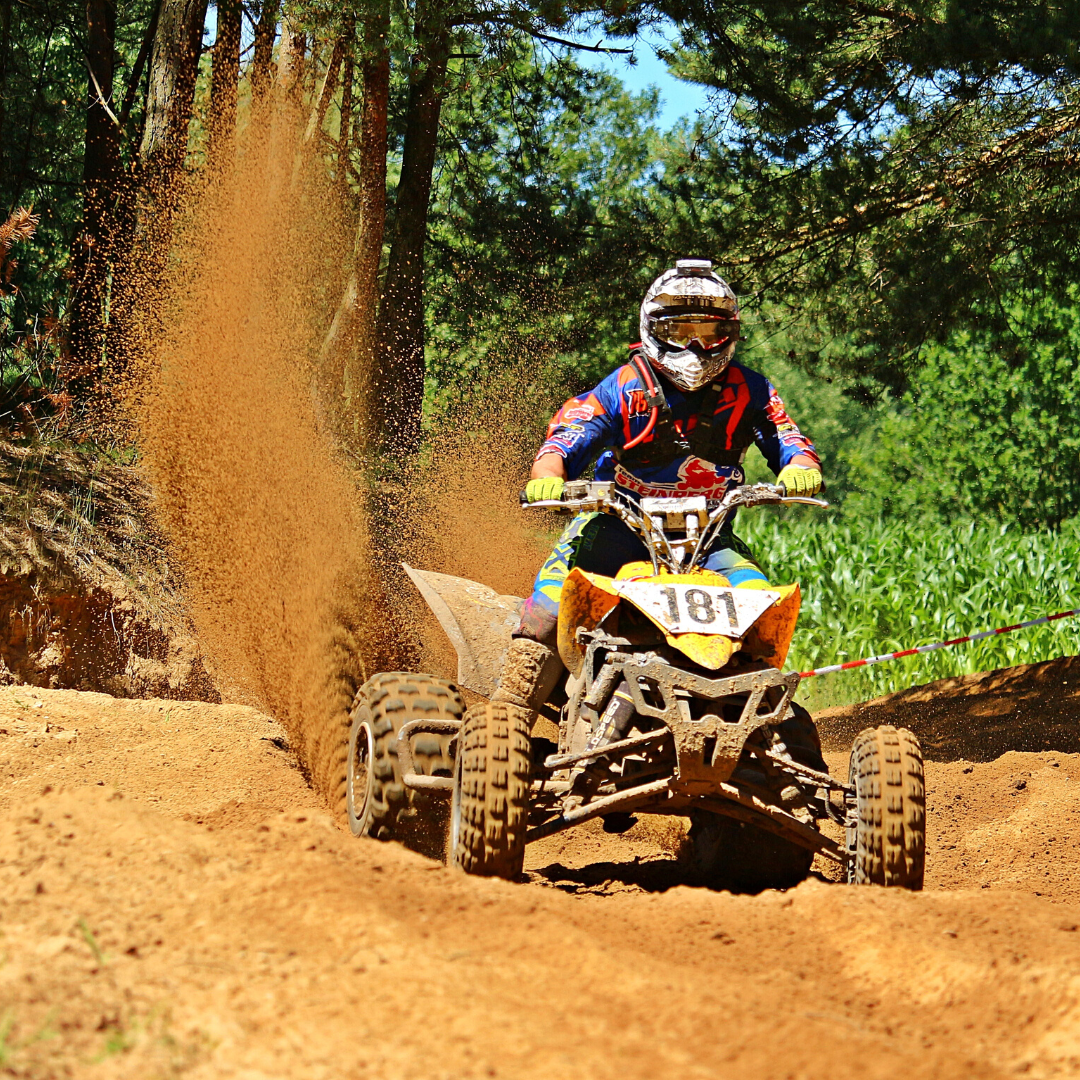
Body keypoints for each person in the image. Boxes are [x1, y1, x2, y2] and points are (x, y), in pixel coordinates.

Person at [490, 258, 823, 716]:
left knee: (762, 609)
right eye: (680, 331)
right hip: (614, 532)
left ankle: (766, 722)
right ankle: (507, 716)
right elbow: (569, 434)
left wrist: (800, 466)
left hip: (708, 541)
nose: (695, 346)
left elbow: (787, 436)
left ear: (730, 333)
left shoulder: (751, 389)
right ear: (653, 329)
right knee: (548, 608)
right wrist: (547, 476)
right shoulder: (626, 386)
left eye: (709, 332)